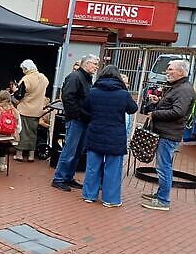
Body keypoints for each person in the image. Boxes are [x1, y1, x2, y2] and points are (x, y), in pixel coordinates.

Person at [142, 59, 195, 211]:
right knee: (163, 166)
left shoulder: (184, 89)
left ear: (180, 72)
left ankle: (163, 200)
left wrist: (155, 113)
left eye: (170, 69)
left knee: (163, 167)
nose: (167, 72)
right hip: (166, 132)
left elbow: (178, 112)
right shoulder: (178, 87)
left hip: (169, 134)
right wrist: (159, 101)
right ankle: (160, 195)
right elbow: (174, 106)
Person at [81, 65, 138, 207]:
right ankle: (110, 199)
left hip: (95, 132)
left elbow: (86, 107)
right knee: (113, 169)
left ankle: (89, 195)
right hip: (115, 135)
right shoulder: (123, 94)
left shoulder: (93, 92)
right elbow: (133, 109)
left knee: (93, 167)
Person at [51, 54, 99, 191]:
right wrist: (78, 115)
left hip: (82, 120)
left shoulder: (85, 78)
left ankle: (68, 177)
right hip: (77, 120)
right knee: (70, 151)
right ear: (87, 64)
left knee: (77, 152)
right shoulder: (75, 77)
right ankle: (59, 178)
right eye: (95, 64)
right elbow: (68, 98)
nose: (96, 67)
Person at [13, 59, 49, 162]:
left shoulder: (26, 79)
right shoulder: (43, 78)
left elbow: (19, 95)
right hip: (37, 110)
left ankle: (19, 154)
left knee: (22, 132)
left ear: (26, 68)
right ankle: (31, 156)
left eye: (23, 69)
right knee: (33, 133)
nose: (23, 71)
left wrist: (15, 91)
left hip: (25, 109)